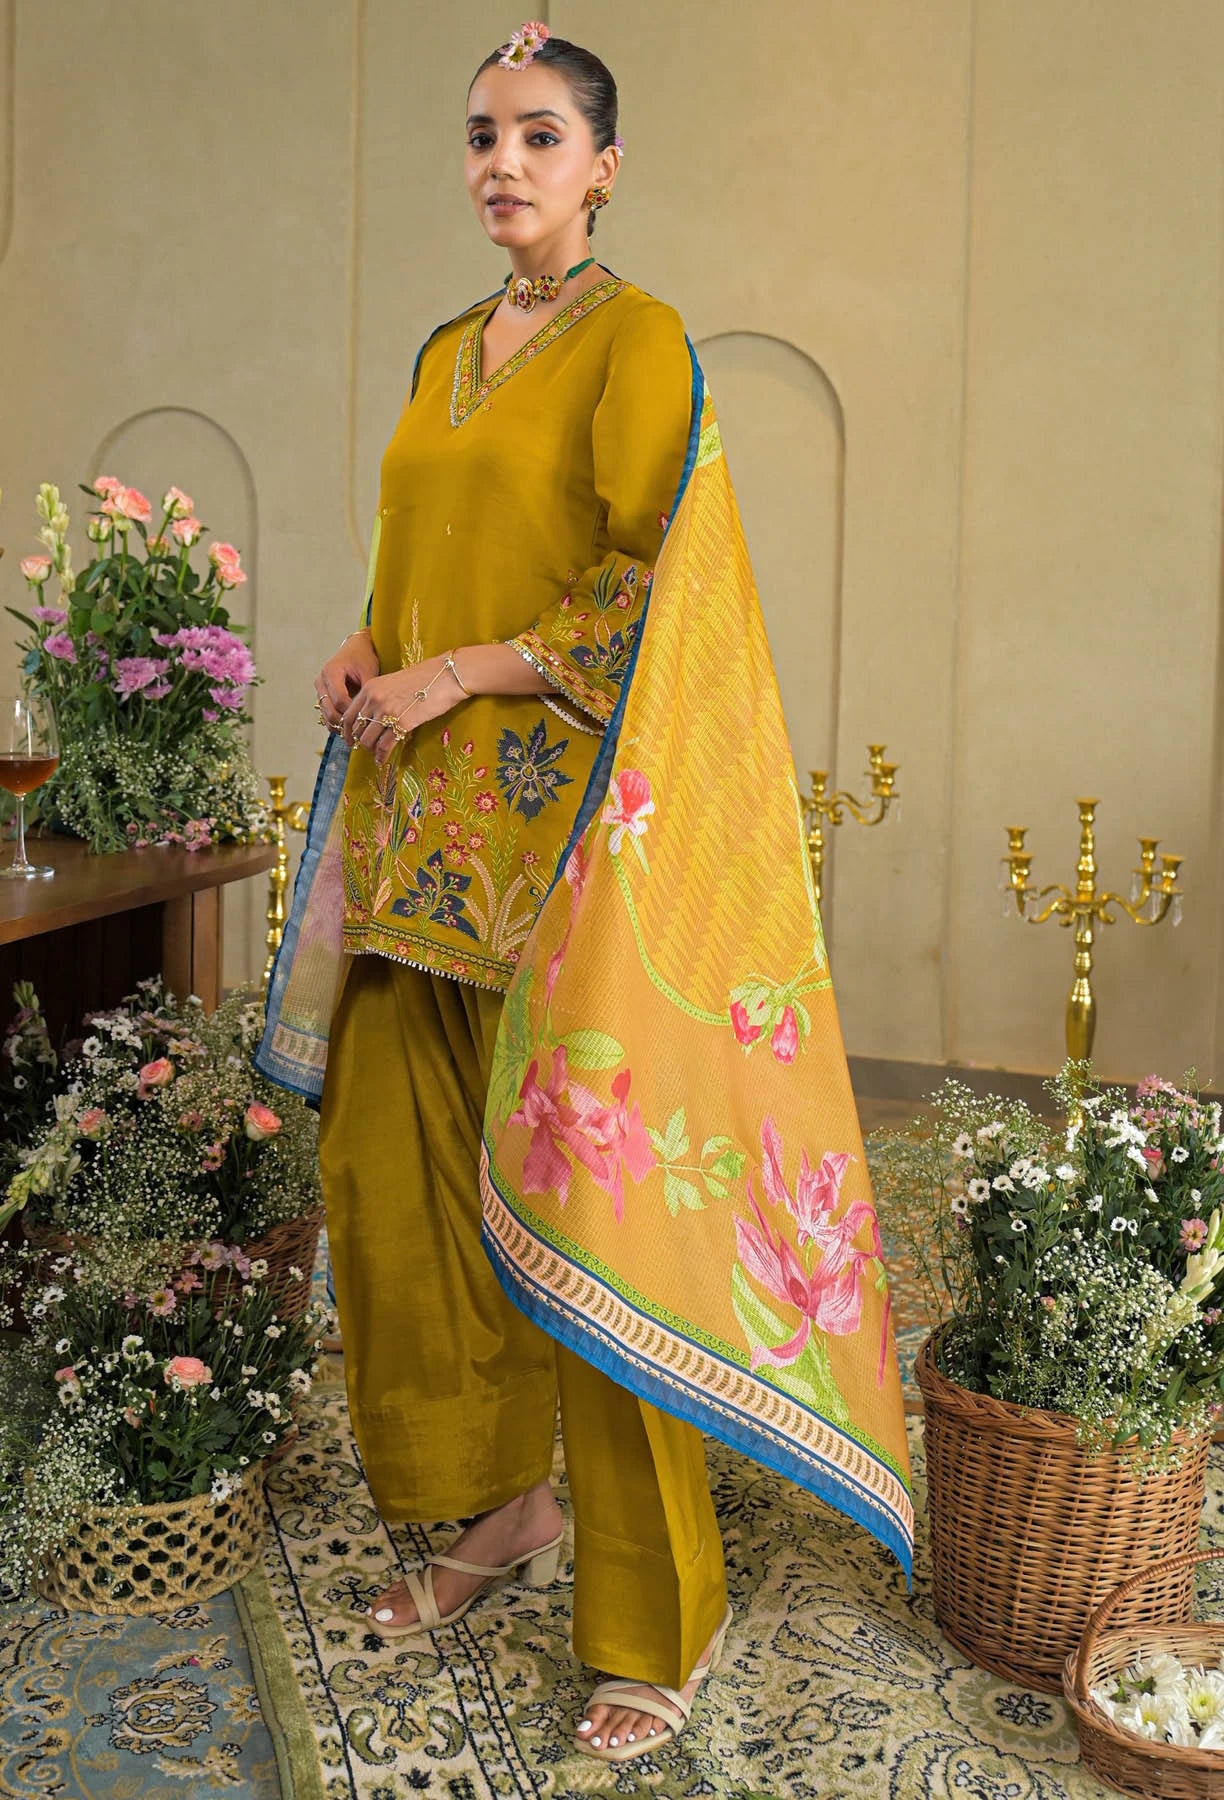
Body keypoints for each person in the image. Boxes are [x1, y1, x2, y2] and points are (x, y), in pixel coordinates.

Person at [262, 20, 912, 1770]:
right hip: (413, 849)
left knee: (591, 1217)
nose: (503, 163)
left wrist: (463, 670)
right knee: (394, 1194)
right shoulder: (441, 346)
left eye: (540, 136)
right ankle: (497, 1510)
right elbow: (421, 550)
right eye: (481, 135)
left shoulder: (640, 341)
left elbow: (647, 589)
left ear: (604, 165)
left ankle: (652, 1618)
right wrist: (365, 648)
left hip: (559, 858)